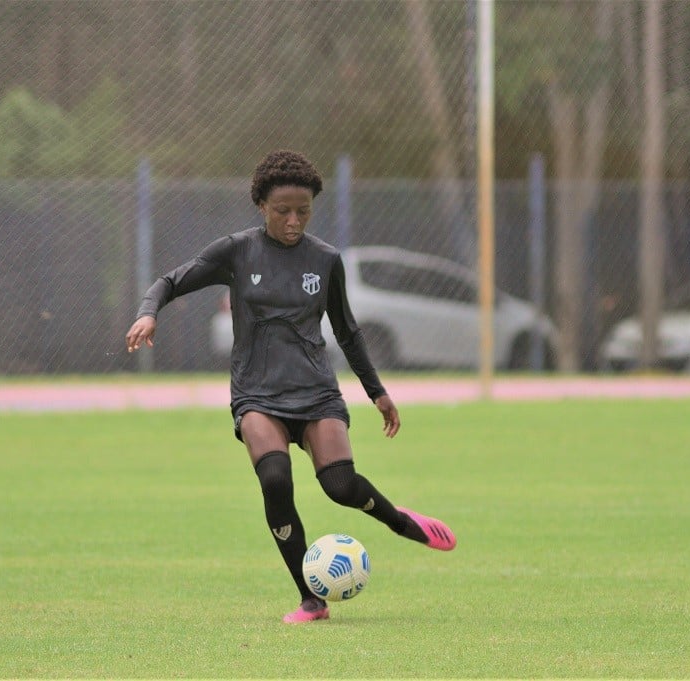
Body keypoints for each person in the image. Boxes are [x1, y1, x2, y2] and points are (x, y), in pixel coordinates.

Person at [125, 149, 456, 624]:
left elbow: (348, 331)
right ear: (261, 204)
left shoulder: (324, 260)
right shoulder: (236, 251)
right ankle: (311, 599)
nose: (294, 220)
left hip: (316, 391)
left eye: (304, 211)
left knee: (340, 486)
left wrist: (376, 391)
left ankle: (403, 523)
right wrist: (147, 312)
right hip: (257, 394)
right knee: (276, 481)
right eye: (283, 211)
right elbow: (168, 282)